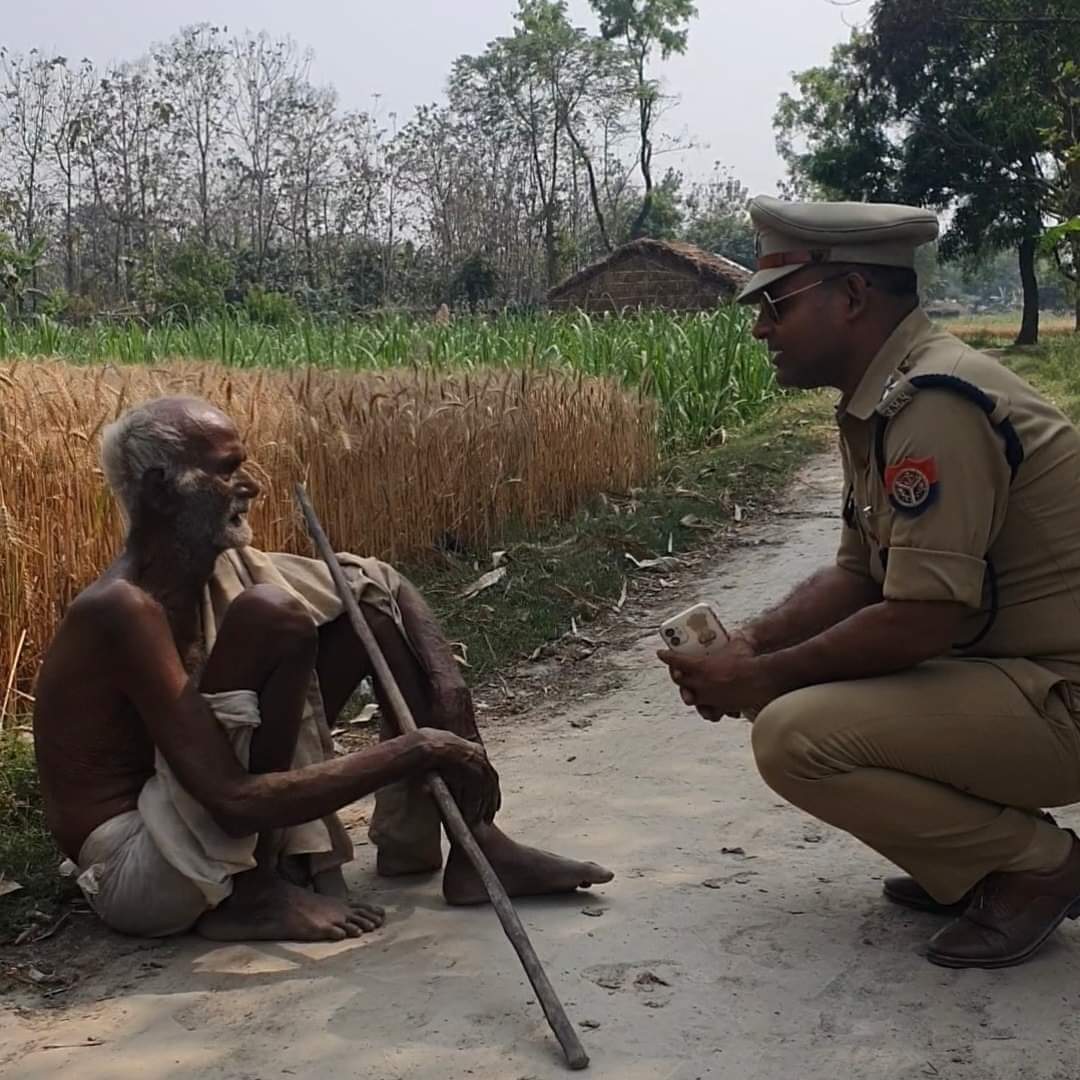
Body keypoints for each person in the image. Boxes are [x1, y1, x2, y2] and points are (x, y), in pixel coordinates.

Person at [658, 195, 1080, 969]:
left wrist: (756, 678)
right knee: (795, 699)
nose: (760, 329)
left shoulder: (936, 403)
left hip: (1063, 699)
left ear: (851, 296)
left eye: (775, 305)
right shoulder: (888, 399)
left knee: (796, 732)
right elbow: (860, 574)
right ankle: (972, 857)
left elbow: (920, 621)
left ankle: (1034, 866)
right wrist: (750, 642)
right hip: (1021, 678)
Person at [33, 396, 612, 942]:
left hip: (198, 821)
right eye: (227, 469)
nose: (250, 485)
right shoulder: (122, 609)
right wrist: (419, 747)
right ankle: (254, 895)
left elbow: (372, 581)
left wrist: (448, 684)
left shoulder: (214, 567)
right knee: (273, 612)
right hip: (140, 864)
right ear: (163, 490)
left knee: (363, 615)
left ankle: (476, 845)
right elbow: (229, 800)